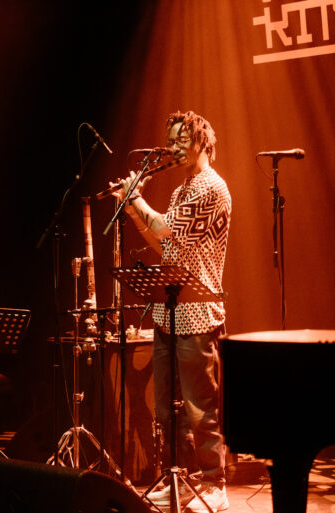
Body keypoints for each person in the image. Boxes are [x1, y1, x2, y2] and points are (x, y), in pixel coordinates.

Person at [111, 111, 231, 512]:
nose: (174, 148)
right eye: (171, 141)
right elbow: (166, 245)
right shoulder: (181, 190)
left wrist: (136, 198)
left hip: (198, 312)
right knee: (166, 409)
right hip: (169, 311)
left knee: (200, 407)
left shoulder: (211, 187)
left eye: (182, 140)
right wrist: (131, 208)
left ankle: (214, 483)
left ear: (202, 141)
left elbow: (164, 228)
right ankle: (180, 478)